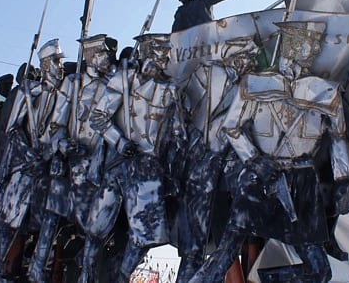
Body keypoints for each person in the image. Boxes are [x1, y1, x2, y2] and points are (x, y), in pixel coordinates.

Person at [190, 21, 349, 283]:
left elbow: (338, 137)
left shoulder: (326, 92)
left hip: (302, 183)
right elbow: (232, 128)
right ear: (288, 47)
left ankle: (265, 279)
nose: (309, 51)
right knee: (223, 256)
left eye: (312, 45)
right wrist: (253, 160)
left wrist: (343, 180)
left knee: (320, 273)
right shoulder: (254, 85)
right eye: (303, 44)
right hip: (261, 178)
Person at [88, 33, 184, 283]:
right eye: (159, 53)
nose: (164, 59)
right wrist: (119, 141)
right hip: (118, 164)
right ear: (145, 53)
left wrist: (172, 169)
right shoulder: (124, 79)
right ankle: (86, 274)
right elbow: (97, 117)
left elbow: (176, 135)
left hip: (149, 170)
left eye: (165, 55)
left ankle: (121, 276)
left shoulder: (170, 88)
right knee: (95, 230)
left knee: (147, 236)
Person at [29, 34, 114, 283]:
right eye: (102, 55)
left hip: (98, 166)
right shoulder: (72, 84)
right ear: (90, 57)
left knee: (94, 224)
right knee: (52, 217)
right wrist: (64, 145)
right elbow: (56, 125)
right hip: (69, 162)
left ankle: (85, 272)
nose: (107, 59)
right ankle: (36, 268)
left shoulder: (113, 85)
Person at [175, 36, 261, 283]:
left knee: (241, 231)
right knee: (197, 243)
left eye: (250, 59)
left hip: (235, 167)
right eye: (244, 57)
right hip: (203, 165)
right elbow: (185, 107)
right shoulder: (209, 76)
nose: (247, 63)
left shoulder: (253, 87)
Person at [0, 39, 66, 281]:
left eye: (61, 61)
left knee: (49, 220)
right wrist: (29, 156)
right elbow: (12, 131)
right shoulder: (27, 92)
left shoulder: (65, 95)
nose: (60, 66)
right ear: (45, 64)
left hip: (46, 170)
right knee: (11, 224)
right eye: (56, 61)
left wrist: (59, 149)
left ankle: (36, 269)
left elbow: (60, 132)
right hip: (23, 169)